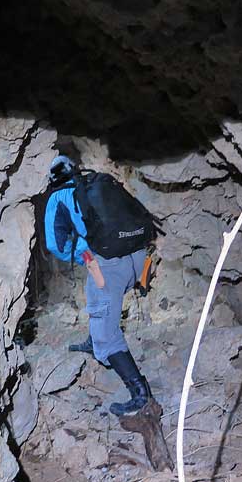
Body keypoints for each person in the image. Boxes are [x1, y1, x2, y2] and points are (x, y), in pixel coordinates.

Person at [43, 154, 153, 416]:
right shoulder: (100, 183)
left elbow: (55, 244)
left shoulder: (59, 197)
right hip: (139, 259)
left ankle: (141, 395)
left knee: (107, 330)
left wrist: (85, 255)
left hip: (108, 267)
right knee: (99, 304)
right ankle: (94, 342)